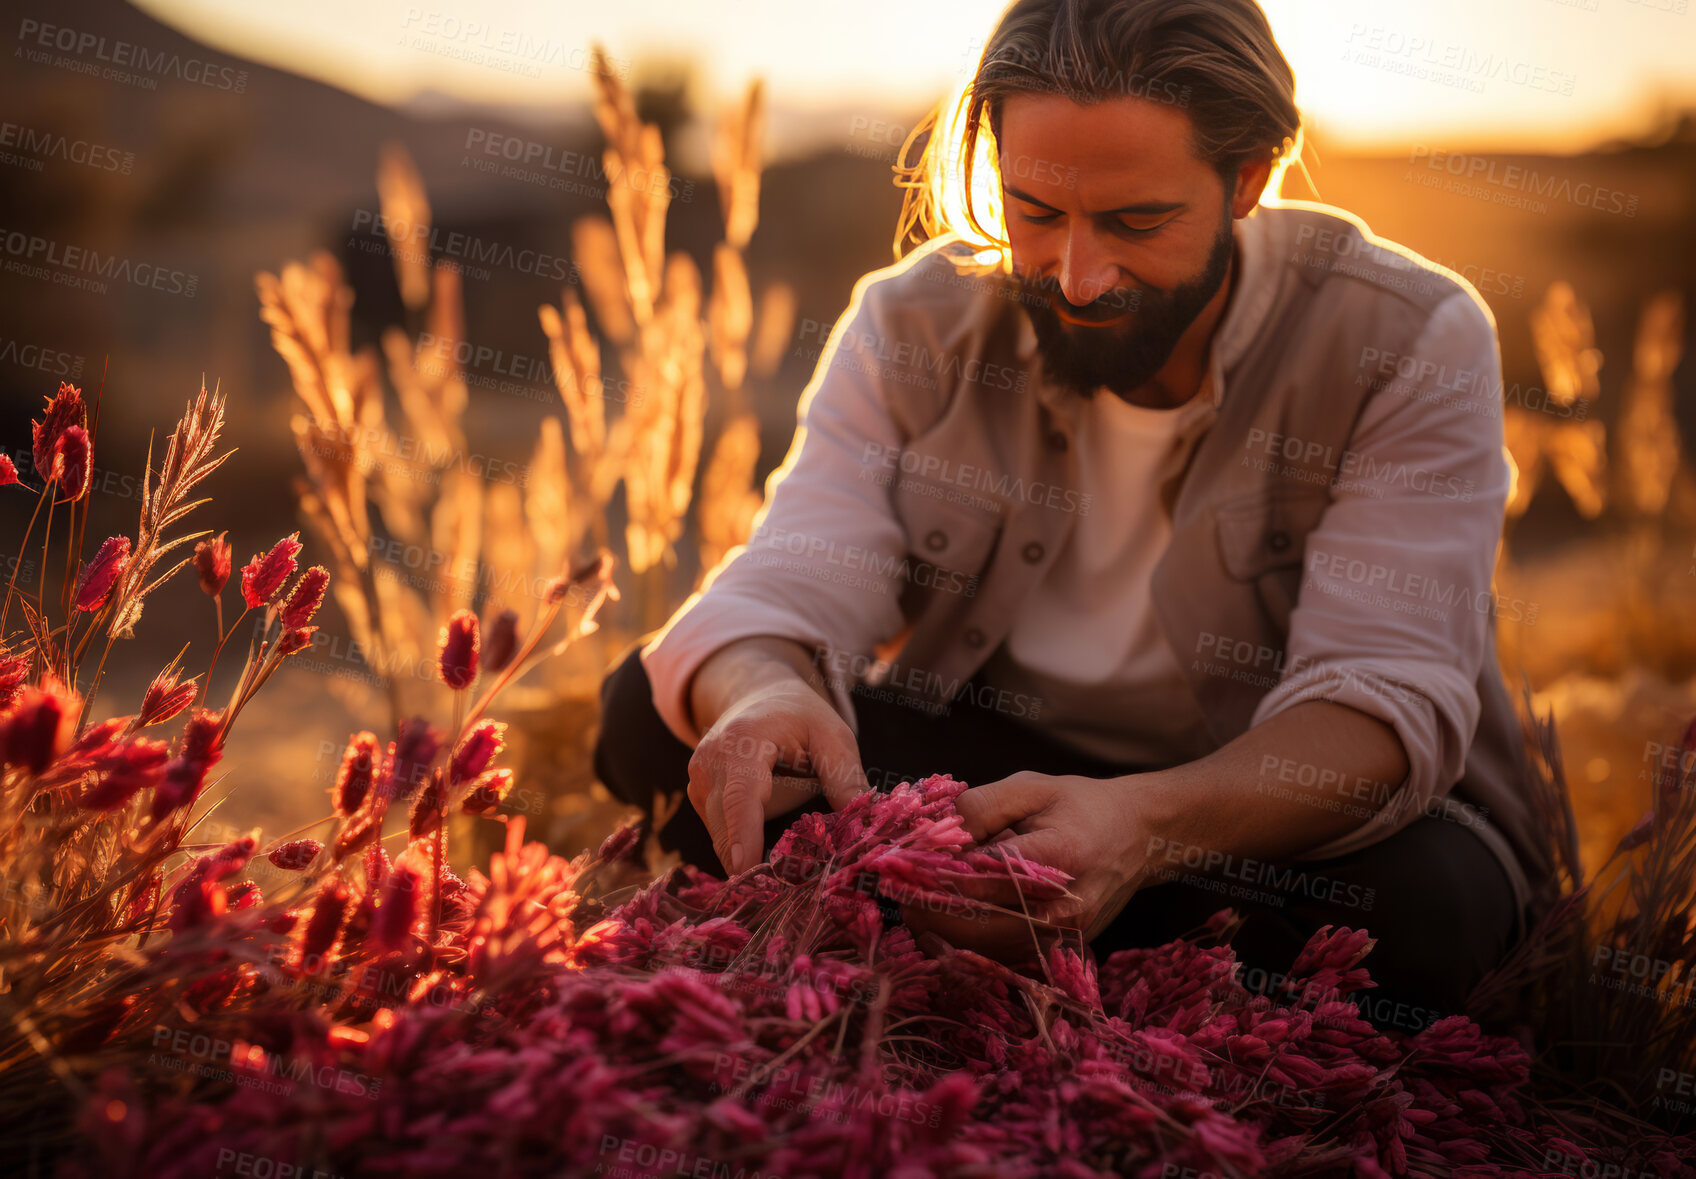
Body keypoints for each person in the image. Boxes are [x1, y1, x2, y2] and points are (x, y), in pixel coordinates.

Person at [593, 0, 1569, 1027]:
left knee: (1423, 916)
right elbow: (794, 570)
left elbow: (1382, 702)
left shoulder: (1406, 337)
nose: (1075, 274)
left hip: (1252, 816)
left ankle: (1003, 939)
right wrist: (757, 695)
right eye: (1034, 212)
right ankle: (1094, 961)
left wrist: (1144, 826)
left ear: (1249, 177)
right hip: (1007, 777)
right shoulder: (912, 319)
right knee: (662, 715)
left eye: (1134, 224)